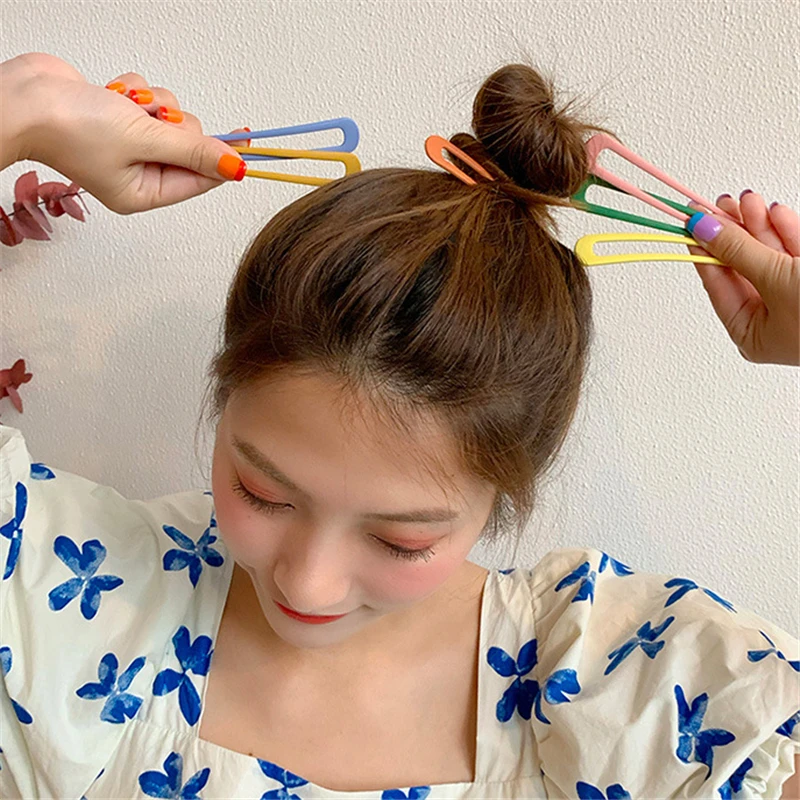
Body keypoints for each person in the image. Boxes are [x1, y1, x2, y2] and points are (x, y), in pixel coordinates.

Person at [0, 52, 797, 799]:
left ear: (507, 488)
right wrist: (28, 103)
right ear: (223, 395)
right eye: (261, 493)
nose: (308, 582)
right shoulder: (78, 594)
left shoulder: (629, 683)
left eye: (401, 540)